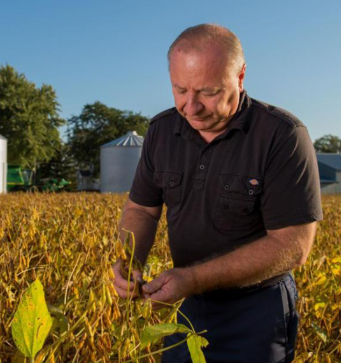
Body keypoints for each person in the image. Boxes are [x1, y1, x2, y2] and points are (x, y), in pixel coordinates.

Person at [112, 24, 323, 363]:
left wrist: (192, 278)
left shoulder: (282, 136)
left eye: (208, 92)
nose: (191, 107)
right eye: (179, 90)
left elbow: (292, 247)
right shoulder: (162, 130)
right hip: (189, 304)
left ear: (240, 77)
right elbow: (142, 209)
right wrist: (130, 258)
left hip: (258, 310)